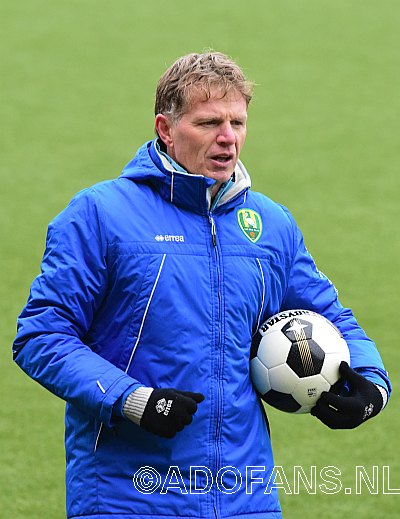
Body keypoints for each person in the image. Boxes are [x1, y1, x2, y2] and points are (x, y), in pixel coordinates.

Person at [13, 51, 391, 519]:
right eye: (209, 122)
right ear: (165, 129)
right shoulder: (100, 214)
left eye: (238, 122)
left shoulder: (270, 225)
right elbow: (42, 335)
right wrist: (131, 400)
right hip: (127, 497)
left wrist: (372, 385)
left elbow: (332, 317)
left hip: (245, 497)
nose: (228, 139)